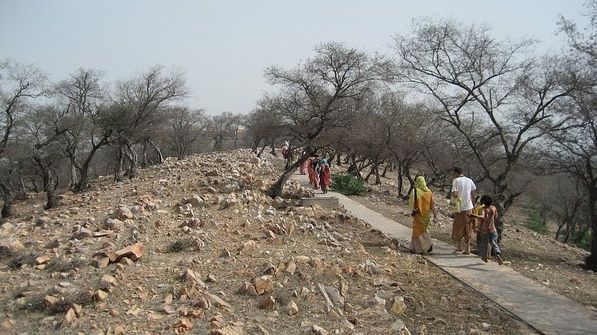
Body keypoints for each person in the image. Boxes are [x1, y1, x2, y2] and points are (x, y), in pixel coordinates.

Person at [451, 167, 476, 254]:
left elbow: (454, 194)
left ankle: (459, 246)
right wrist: (474, 205)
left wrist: (454, 199)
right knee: (468, 227)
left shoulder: (455, 181)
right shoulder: (469, 180)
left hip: (459, 207)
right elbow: (473, 194)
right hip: (469, 207)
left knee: (458, 226)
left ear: (455, 173)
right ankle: (468, 248)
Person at [409, 176, 437, 254]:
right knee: (423, 230)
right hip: (427, 215)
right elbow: (432, 205)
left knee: (417, 231)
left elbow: (412, 203)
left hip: (418, 214)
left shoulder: (415, 191)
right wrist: (435, 215)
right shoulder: (429, 192)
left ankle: (423, 246)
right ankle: (414, 248)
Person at [474, 195, 503, 265]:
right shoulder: (493, 208)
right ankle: (498, 254)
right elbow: (496, 216)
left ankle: (484, 256)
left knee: (484, 243)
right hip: (493, 229)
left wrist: (475, 216)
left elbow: (482, 217)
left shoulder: (483, 210)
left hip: (484, 230)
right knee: (494, 242)